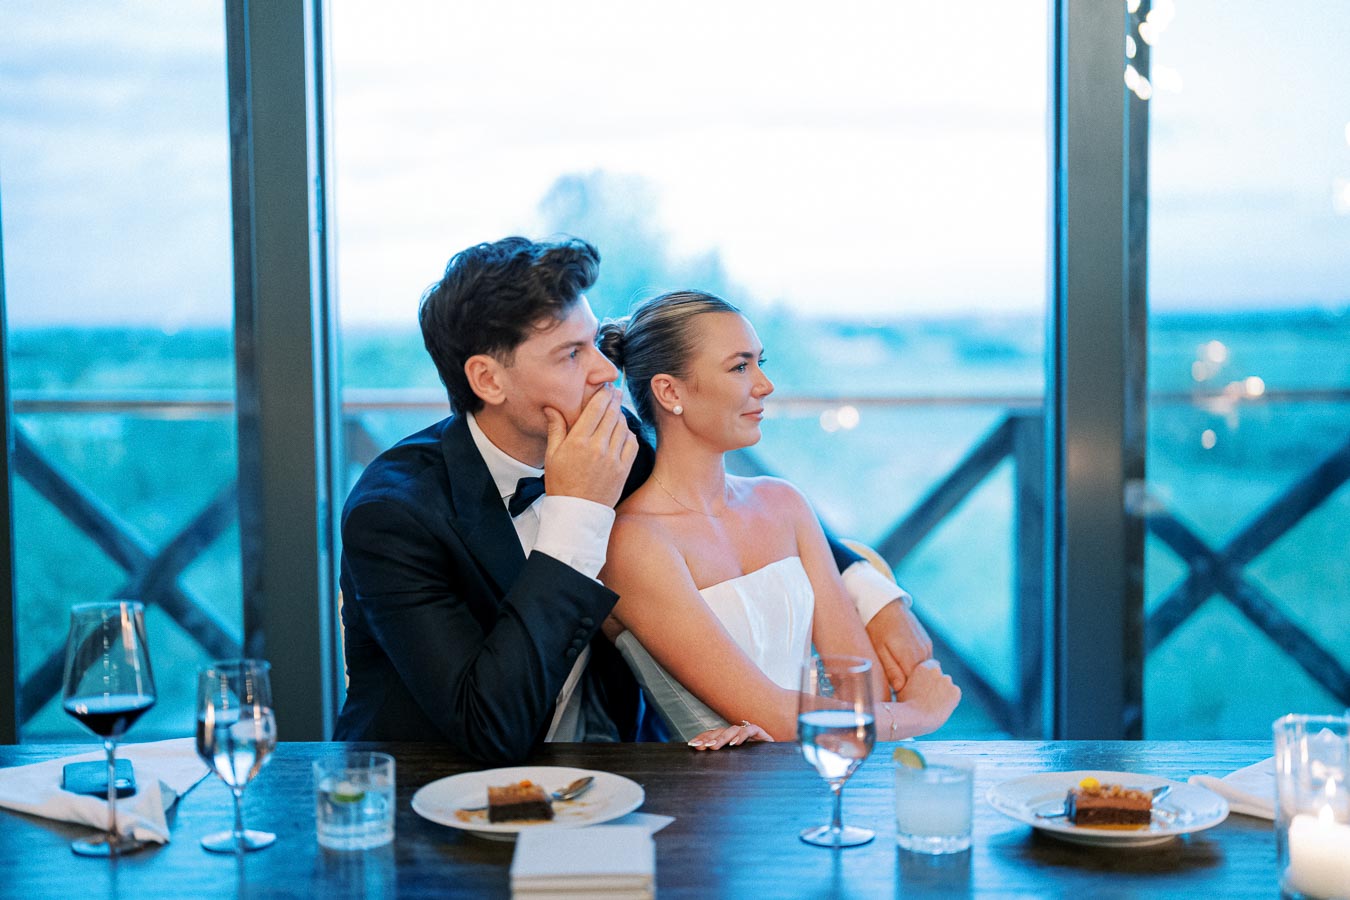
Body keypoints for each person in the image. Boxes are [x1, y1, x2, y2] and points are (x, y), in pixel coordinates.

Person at [333, 236, 933, 763]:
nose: (606, 372)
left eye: (594, 343)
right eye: (571, 354)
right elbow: (489, 731)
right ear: (489, 380)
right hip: (425, 798)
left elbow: (743, 509)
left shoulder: (613, 440)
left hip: (620, 776)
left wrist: (875, 596)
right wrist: (575, 516)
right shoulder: (394, 516)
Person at [597, 290, 961, 750]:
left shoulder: (784, 503)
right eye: (740, 367)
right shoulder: (635, 543)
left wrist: (856, 721)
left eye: (760, 363)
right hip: (720, 799)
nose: (765, 385)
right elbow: (769, 712)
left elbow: (860, 682)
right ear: (670, 392)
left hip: (824, 774)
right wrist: (917, 714)